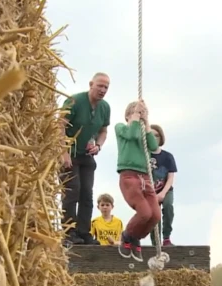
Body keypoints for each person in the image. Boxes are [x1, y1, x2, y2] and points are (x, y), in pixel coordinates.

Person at [60, 73, 111, 246]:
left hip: (87, 155)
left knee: (86, 194)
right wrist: (63, 152)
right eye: (100, 86)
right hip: (70, 153)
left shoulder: (104, 108)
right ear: (91, 84)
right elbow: (59, 125)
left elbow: (103, 131)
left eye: (106, 87)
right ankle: (68, 232)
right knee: (72, 190)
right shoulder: (74, 101)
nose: (103, 90)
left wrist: (98, 145)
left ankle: (84, 232)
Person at [115, 100, 160, 261]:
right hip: (129, 176)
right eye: (136, 113)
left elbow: (154, 146)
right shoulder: (121, 128)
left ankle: (135, 236)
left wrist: (146, 123)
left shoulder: (142, 132)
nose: (139, 116)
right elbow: (131, 134)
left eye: (141, 113)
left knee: (155, 215)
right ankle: (127, 235)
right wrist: (134, 117)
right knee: (144, 212)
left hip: (145, 177)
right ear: (128, 115)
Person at [147, 124, 177, 246]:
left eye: (156, 135)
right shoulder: (144, 156)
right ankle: (156, 242)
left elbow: (170, 177)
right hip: (150, 191)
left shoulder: (167, 157)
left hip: (165, 189)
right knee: (154, 216)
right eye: (151, 135)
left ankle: (166, 237)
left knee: (168, 207)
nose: (154, 138)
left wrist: (163, 193)